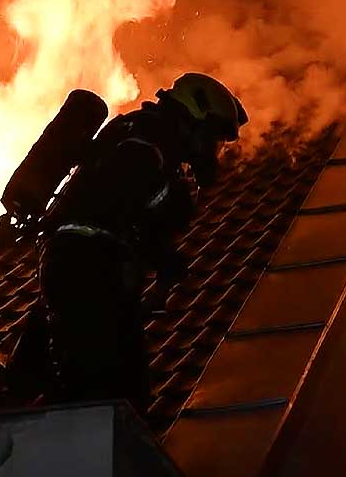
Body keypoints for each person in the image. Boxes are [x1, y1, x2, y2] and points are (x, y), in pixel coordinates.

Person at [14, 73, 247, 410]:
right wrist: (160, 254)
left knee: (85, 378)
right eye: (212, 138)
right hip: (88, 266)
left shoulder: (139, 136)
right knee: (110, 390)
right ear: (194, 121)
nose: (212, 151)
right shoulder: (146, 146)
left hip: (74, 263)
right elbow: (116, 204)